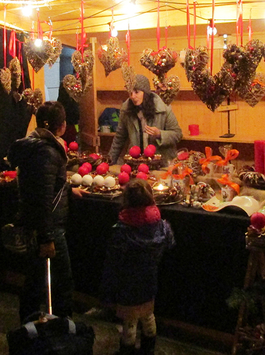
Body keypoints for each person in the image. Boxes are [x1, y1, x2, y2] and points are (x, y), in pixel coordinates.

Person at [7, 101, 77, 319]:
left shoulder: (33, 145)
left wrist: (67, 187)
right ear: (62, 126)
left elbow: (42, 185)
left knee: (35, 280)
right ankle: (63, 331)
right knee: (62, 283)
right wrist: (47, 237)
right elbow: (44, 197)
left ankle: (29, 329)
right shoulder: (47, 151)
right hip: (48, 228)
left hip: (35, 224)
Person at [100, 179, 175, 355]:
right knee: (149, 315)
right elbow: (170, 243)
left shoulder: (122, 230)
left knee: (130, 321)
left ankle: (127, 350)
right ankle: (149, 348)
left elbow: (113, 260)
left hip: (128, 283)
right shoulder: (161, 225)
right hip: (150, 278)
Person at [108, 74, 182, 165]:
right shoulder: (126, 109)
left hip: (160, 163)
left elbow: (177, 134)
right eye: (130, 92)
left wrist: (159, 134)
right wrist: (110, 161)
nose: (132, 96)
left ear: (145, 92)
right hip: (135, 164)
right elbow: (119, 138)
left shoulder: (163, 107)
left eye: (136, 92)